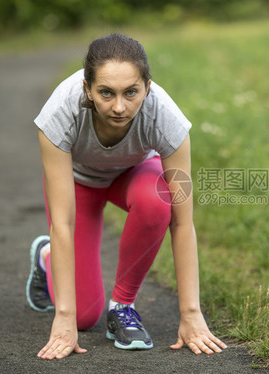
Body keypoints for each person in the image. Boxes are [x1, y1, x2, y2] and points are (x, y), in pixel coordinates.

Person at [26, 33, 227, 360]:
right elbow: (62, 222)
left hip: (132, 175)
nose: (119, 107)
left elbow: (182, 222)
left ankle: (123, 307)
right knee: (82, 317)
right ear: (87, 89)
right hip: (80, 185)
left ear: (147, 87)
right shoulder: (59, 113)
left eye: (131, 92)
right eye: (106, 93)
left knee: (160, 199)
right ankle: (47, 259)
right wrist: (64, 318)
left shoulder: (165, 117)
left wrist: (191, 314)